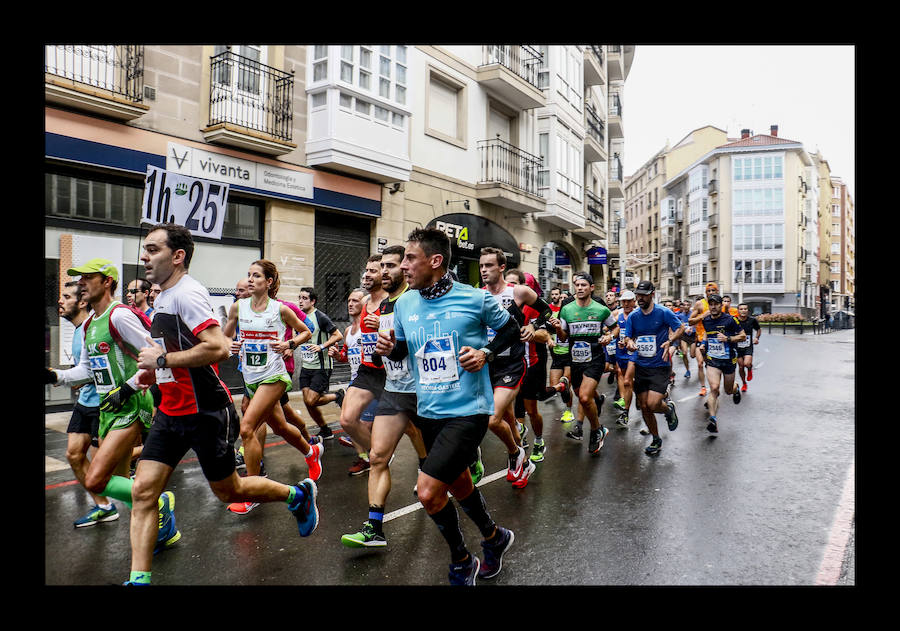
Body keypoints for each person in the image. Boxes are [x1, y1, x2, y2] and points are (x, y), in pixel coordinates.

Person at [128, 223, 319, 586]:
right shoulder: (164, 296)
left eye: (153, 250)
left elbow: (215, 347)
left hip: (205, 411)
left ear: (178, 256)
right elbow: (178, 352)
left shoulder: (187, 294)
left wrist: (164, 362)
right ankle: (138, 579)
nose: (144, 256)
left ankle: (297, 495)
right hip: (171, 411)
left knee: (229, 489)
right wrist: (151, 374)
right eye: (146, 249)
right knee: (143, 491)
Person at [375, 227, 522, 585]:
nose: (403, 267)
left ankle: (461, 559)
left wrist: (485, 353)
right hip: (429, 411)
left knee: (427, 491)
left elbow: (512, 330)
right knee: (457, 484)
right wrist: (389, 348)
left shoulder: (474, 299)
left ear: (435, 261)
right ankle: (494, 537)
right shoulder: (406, 303)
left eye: (410, 258)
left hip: (468, 410)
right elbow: (406, 350)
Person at [45, 259, 169, 546]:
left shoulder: (119, 316)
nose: (81, 284)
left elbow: (155, 354)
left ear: (107, 282)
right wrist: (55, 375)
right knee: (122, 481)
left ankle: (159, 501)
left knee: (96, 480)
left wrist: (127, 388)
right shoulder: (90, 324)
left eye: (88, 278)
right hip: (108, 409)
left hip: (131, 405)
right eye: (80, 280)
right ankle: (161, 526)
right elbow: (87, 370)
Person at [341, 245, 428, 548]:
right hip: (393, 388)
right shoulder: (380, 305)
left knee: (441, 470)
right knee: (378, 457)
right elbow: (380, 357)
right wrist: (378, 347)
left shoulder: (415, 300)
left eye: (392, 266)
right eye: (384, 266)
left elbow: (426, 341)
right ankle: (374, 528)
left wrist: (390, 336)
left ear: (404, 269)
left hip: (423, 391)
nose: (387, 271)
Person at [222, 260, 323, 515]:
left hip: (275, 376)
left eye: (256, 276)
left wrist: (290, 344)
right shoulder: (238, 307)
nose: (250, 279)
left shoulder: (280, 310)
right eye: (248, 275)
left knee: (248, 427)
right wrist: (230, 345)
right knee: (279, 426)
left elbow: (306, 332)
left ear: (268, 282)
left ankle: (253, 492)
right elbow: (224, 336)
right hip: (251, 376)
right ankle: (310, 452)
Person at [479, 249, 552, 487]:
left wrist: (534, 326)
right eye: (481, 266)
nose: (483, 270)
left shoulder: (518, 292)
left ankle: (515, 454)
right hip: (487, 364)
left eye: (489, 265)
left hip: (512, 363)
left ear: (501, 268)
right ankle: (524, 461)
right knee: (508, 418)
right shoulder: (477, 296)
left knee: (492, 419)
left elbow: (547, 311)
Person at [54, 280, 116, 527]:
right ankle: (104, 506)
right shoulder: (79, 331)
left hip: (104, 404)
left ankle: (151, 500)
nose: (61, 300)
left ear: (82, 302)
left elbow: (95, 370)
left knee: (105, 469)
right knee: (73, 454)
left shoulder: (92, 328)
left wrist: (61, 376)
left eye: (66, 296)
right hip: (85, 403)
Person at [550, 272, 617, 455]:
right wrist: (557, 328)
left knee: (585, 397)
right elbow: (563, 336)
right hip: (576, 360)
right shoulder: (567, 309)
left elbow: (615, 327)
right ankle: (599, 427)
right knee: (581, 395)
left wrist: (609, 336)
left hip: (595, 359)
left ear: (591, 288)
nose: (579, 288)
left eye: (583, 285)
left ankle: (595, 430)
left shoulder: (601, 309)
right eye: (577, 285)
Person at [339, 255, 388, 475]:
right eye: (366, 270)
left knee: (414, 429)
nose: (367, 274)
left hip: (391, 373)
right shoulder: (366, 303)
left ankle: (427, 463)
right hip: (367, 371)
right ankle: (376, 454)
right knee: (348, 420)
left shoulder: (392, 302)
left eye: (373, 271)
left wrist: (383, 325)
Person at [623, 280, 684, 456]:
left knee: (653, 403)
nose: (640, 298)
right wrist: (630, 343)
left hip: (660, 366)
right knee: (644, 406)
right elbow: (628, 338)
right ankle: (656, 439)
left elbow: (680, 327)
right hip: (642, 366)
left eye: (643, 295)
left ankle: (668, 409)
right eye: (638, 295)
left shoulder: (663, 312)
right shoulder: (634, 316)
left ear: (652, 294)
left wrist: (670, 341)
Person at [506, 270, 553, 464]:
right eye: (507, 283)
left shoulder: (532, 308)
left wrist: (532, 331)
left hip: (530, 364)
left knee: (531, 410)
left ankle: (539, 441)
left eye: (514, 283)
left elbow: (545, 335)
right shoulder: (497, 304)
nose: (510, 287)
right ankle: (518, 455)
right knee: (511, 413)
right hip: (508, 367)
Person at [329, 288, 377, 452]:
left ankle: (377, 455)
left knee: (364, 424)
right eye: (349, 300)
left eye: (355, 300)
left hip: (372, 380)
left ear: (364, 303)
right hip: (355, 380)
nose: (350, 304)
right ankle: (366, 457)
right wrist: (337, 355)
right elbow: (345, 355)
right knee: (350, 421)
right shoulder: (348, 330)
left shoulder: (370, 325)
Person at [296, 287, 344, 440]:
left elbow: (338, 335)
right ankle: (325, 430)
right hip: (306, 366)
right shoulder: (299, 318)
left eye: (304, 298)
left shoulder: (320, 317)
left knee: (311, 399)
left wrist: (321, 346)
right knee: (308, 401)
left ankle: (338, 396)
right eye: (299, 298)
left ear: (312, 301)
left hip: (321, 366)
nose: (301, 301)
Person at [698, 294, 746, 434]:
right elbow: (707, 334)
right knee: (714, 388)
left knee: (728, 391)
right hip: (713, 360)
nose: (713, 307)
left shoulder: (730, 320)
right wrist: (703, 344)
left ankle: (735, 388)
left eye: (716, 304)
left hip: (729, 360)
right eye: (711, 304)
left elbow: (742, 336)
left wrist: (728, 338)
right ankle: (713, 419)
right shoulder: (706, 320)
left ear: (721, 305)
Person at [546, 286, 575, 423]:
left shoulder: (574, 318)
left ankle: (569, 412)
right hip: (557, 355)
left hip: (570, 355)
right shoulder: (555, 317)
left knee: (565, 383)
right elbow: (546, 330)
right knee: (555, 386)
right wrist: (549, 339)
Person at [688, 282, 721, 396]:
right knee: (700, 364)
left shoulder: (720, 304)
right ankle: (703, 387)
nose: (711, 293)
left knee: (713, 365)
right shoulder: (700, 304)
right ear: (705, 293)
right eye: (708, 291)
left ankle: (714, 385)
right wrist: (703, 316)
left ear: (717, 292)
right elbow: (690, 321)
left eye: (713, 291)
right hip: (700, 338)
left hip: (715, 340)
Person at [611, 290, 638, 427]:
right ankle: (625, 399)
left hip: (635, 352)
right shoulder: (617, 314)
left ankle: (626, 411)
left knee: (628, 380)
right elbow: (610, 328)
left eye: (629, 301)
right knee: (621, 374)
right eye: (624, 301)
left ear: (634, 301)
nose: (626, 304)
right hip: (621, 351)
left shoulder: (639, 314)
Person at [735, 302, 762, 391]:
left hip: (748, 346)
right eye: (741, 309)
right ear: (738, 310)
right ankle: (744, 383)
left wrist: (756, 338)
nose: (743, 311)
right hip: (737, 347)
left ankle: (750, 369)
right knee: (741, 366)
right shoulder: (734, 320)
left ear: (748, 310)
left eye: (745, 309)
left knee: (746, 364)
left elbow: (758, 329)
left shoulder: (752, 320)